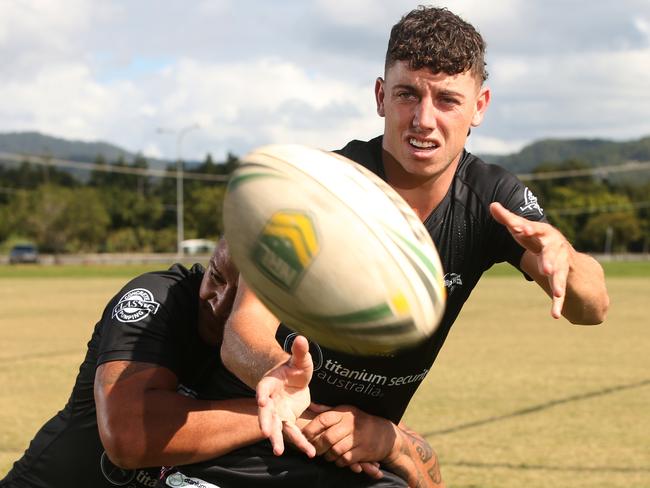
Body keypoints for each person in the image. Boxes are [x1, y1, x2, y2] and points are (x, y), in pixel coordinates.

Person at [167, 5, 609, 488]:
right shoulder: (316, 190)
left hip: (362, 457)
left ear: (479, 106)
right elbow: (243, 331)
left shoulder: (491, 199)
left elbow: (593, 309)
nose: (424, 119)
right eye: (407, 95)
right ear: (381, 96)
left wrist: (564, 255)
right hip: (249, 448)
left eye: (447, 100)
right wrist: (275, 374)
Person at [0, 240, 281, 488]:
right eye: (216, 277)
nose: (219, 304)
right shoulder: (158, 295)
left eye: (239, 299)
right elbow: (128, 435)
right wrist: (276, 415)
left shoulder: (282, 344)